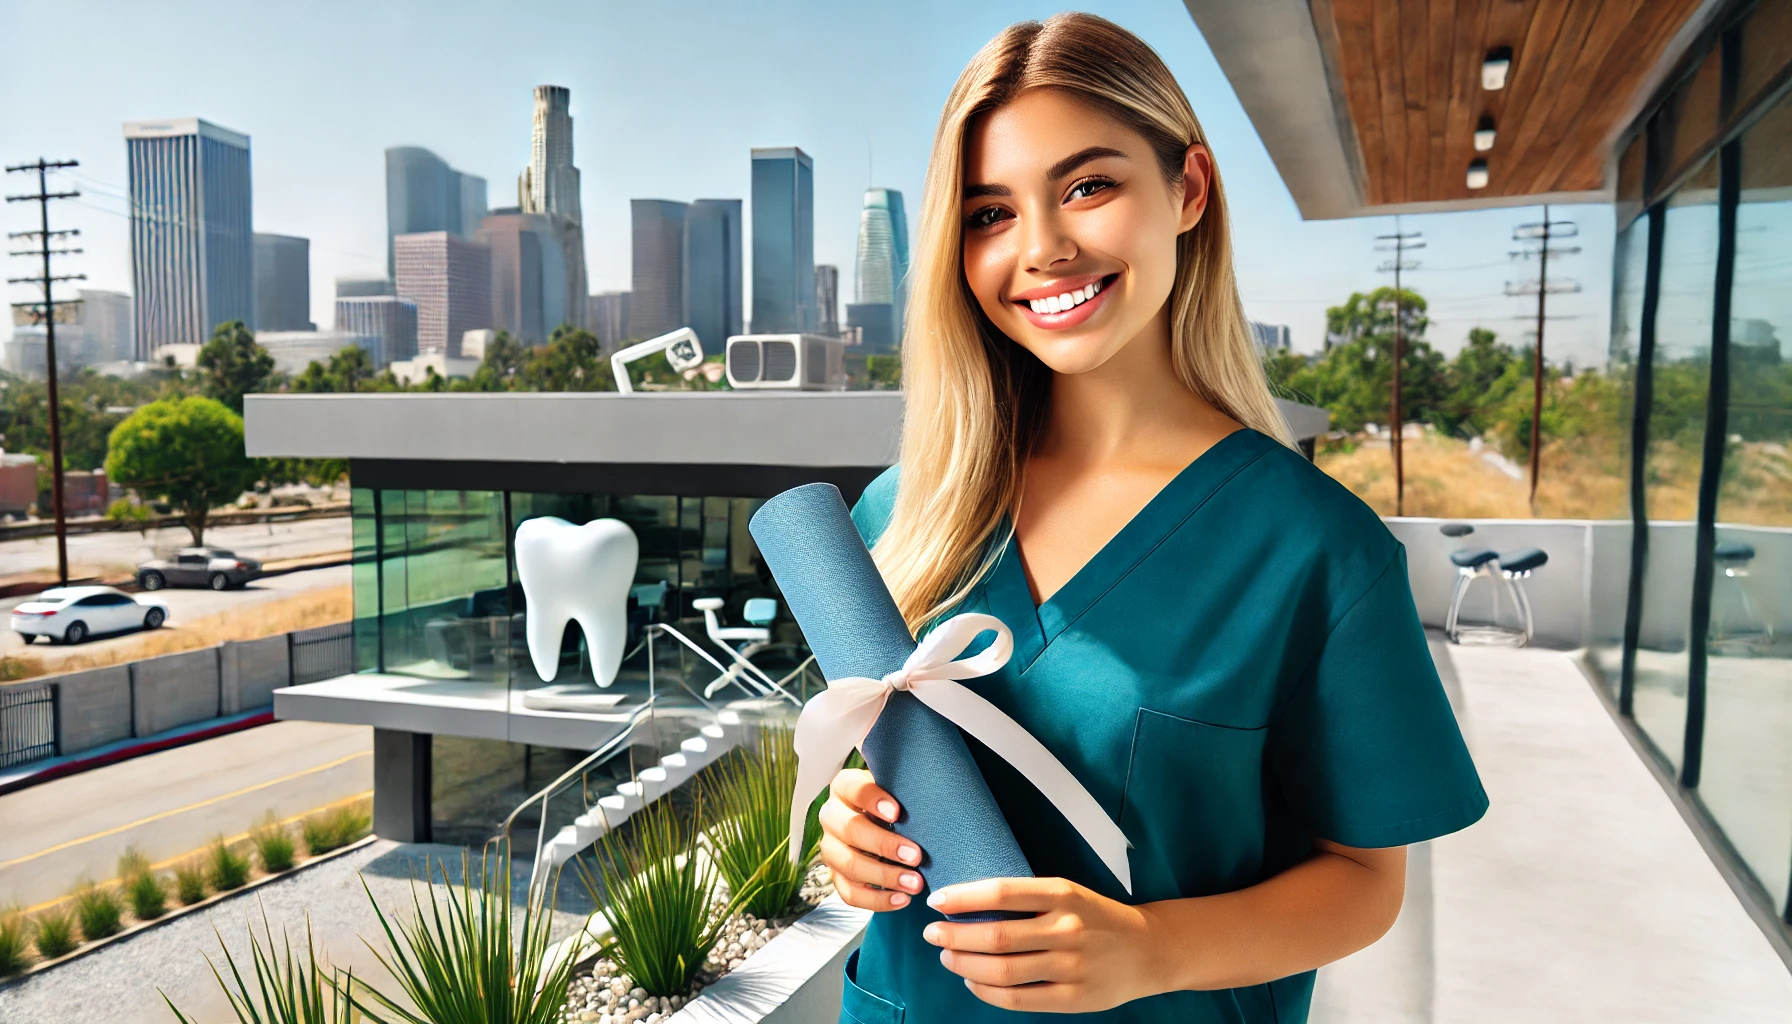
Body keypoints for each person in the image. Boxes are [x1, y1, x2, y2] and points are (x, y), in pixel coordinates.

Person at [817, 12, 1486, 1022]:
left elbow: (1363, 881)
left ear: (1186, 190)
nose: (1041, 248)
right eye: (990, 212)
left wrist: (1152, 949)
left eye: (1087, 186)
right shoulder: (900, 513)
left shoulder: (1316, 552)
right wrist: (853, 830)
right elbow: (899, 774)